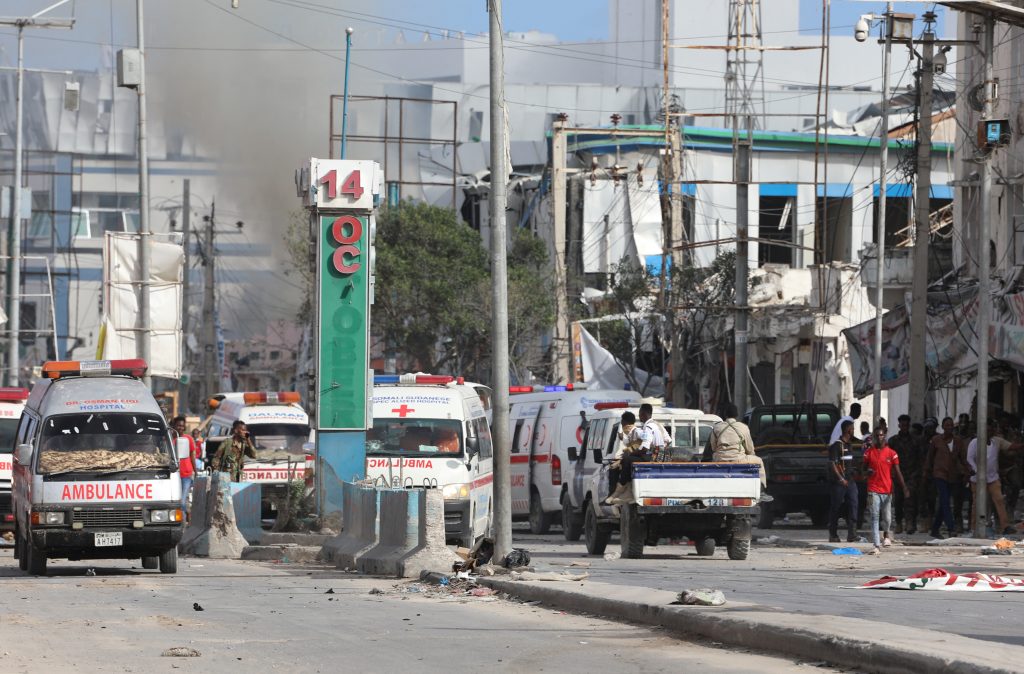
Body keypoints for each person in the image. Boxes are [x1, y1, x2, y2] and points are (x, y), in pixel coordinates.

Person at [967, 417, 1024, 535]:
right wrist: (975, 469)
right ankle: (973, 528)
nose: (990, 432)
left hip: (992, 478)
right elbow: (969, 458)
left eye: (992, 430)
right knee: (976, 504)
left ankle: (1005, 526)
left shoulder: (995, 442)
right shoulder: (974, 442)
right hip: (978, 479)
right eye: (988, 429)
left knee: (999, 500)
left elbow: (1012, 447)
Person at [862, 426, 910, 553]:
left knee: (887, 517)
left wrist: (904, 487)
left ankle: (887, 535)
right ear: (873, 437)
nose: (879, 437)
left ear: (885, 436)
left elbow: (898, 472)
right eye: (876, 435)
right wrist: (867, 472)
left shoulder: (892, 453)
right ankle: (876, 545)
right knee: (874, 516)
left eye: (881, 435)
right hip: (873, 489)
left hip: (887, 489)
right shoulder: (868, 453)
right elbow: (862, 469)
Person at [924, 417, 970, 539]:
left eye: (951, 425)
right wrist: (927, 472)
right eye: (946, 425)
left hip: (953, 475)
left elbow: (963, 458)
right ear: (943, 427)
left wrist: (968, 470)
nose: (949, 427)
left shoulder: (958, 441)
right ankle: (951, 528)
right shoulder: (936, 440)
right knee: (945, 501)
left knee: (943, 504)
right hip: (939, 474)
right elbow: (930, 458)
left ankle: (934, 529)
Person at [709, 401, 767, 492]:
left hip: (720, 459)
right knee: (759, 461)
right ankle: (761, 489)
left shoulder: (717, 428)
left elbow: (713, 447)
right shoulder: (743, 427)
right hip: (739, 459)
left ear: (725, 414)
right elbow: (750, 449)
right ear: (736, 414)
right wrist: (750, 455)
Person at [889, 414, 924, 534]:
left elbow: (920, 458)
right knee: (898, 500)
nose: (904, 427)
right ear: (899, 425)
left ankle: (910, 522)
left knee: (910, 499)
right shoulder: (893, 441)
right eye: (902, 425)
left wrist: (918, 473)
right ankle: (899, 522)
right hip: (898, 475)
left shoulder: (916, 440)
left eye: (906, 425)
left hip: (912, 474)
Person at [827, 420, 859, 543]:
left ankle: (852, 534)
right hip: (839, 483)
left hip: (850, 482)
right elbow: (833, 464)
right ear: (847, 429)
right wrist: (841, 479)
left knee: (853, 505)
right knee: (836, 507)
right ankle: (833, 534)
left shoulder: (850, 445)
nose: (853, 430)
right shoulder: (836, 446)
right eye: (852, 428)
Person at [605, 411, 642, 504]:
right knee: (615, 466)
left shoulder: (637, 431)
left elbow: (644, 442)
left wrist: (630, 450)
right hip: (635, 456)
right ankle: (616, 492)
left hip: (642, 457)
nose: (622, 425)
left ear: (625, 423)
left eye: (622, 423)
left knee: (625, 460)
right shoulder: (631, 434)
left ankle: (621, 489)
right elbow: (629, 442)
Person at [171, 415, 198, 514]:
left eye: (182, 426)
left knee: (182, 501)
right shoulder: (169, 439)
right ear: (174, 426)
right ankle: (186, 517)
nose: (180, 428)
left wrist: (196, 471)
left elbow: (192, 456)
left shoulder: (188, 439)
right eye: (178, 425)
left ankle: (183, 523)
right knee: (177, 501)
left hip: (186, 474)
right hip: (174, 475)